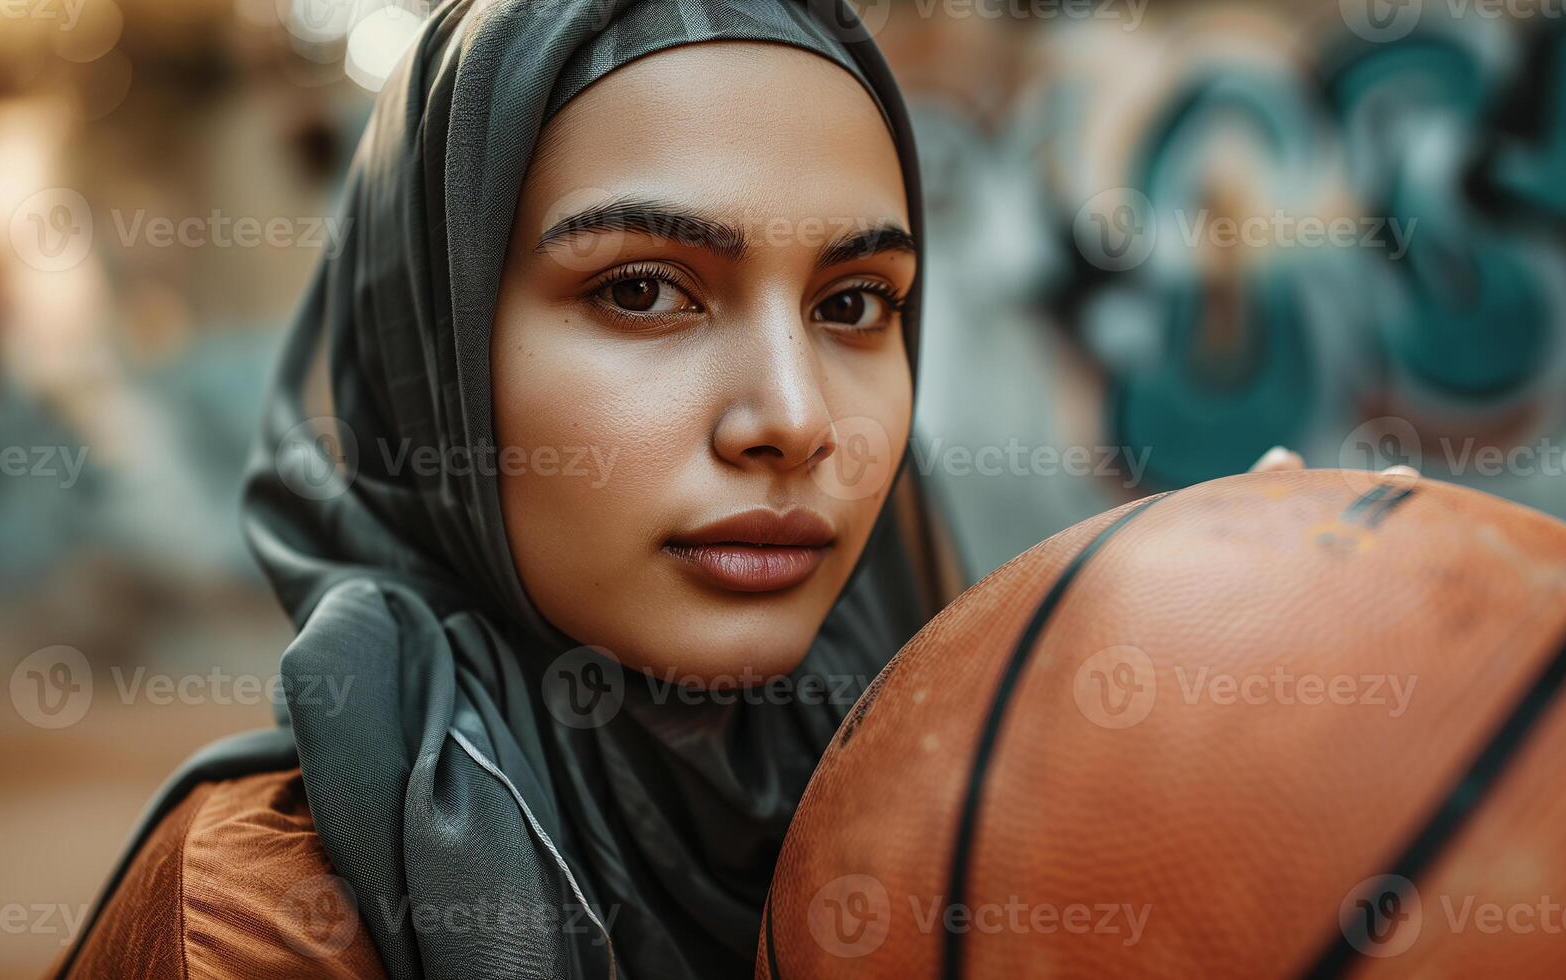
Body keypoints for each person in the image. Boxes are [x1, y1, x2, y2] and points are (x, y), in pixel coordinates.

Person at [54, 3, 954, 978]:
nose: (795, 416)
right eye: (642, 289)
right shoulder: (262, 921)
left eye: (854, 302)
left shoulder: (984, 780)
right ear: (436, 353)